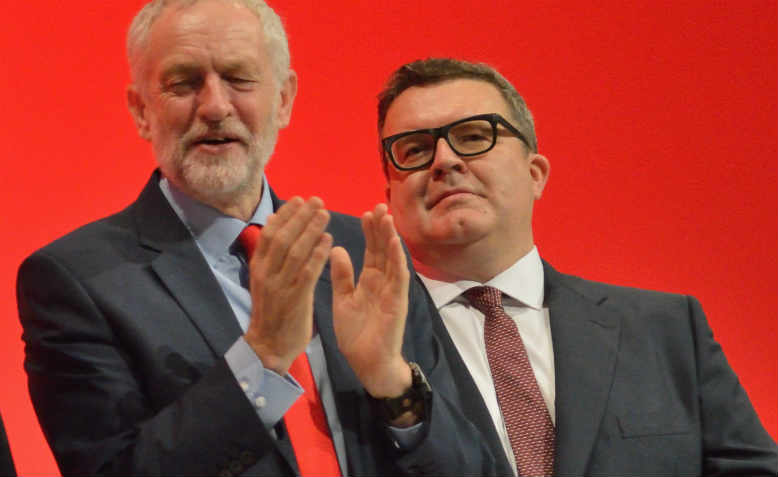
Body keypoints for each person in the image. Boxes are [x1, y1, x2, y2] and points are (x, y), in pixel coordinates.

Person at [15, 4, 497, 475]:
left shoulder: (363, 253)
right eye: (184, 82)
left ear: (284, 100)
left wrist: (392, 384)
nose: (215, 106)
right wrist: (262, 355)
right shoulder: (76, 281)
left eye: (238, 78)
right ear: (142, 111)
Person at [376, 57, 778, 476]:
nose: (444, 161)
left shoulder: (666, 330)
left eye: (474, 136)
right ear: (391, 194)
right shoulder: (361, 351)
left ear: (535, 173)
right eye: (416, 149)